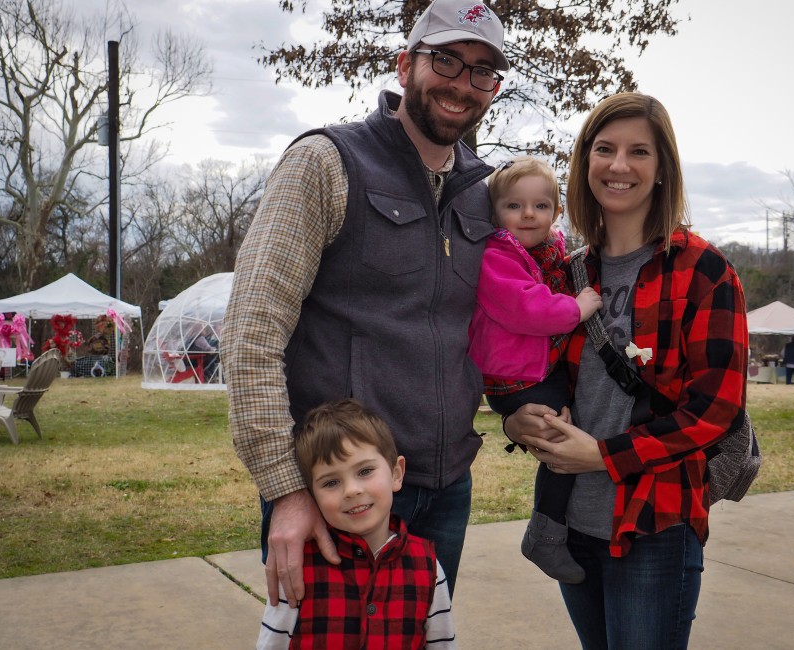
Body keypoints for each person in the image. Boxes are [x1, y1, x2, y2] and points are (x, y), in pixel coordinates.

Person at [221, 0, 510, 610]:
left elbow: (491, 331)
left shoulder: (484, 199)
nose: (462, 84)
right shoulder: (325, 163)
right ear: (405, 64)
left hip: (445, 488)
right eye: (447, 60)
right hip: (338, 494)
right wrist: (287, 489)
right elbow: (251, 330)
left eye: (482, 70)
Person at [503, 92, 748, 649]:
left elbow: (714, 410)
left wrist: (604, 455)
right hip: (570, 526)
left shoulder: (703, 270)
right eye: (605, 149)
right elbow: (523, 366)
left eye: (639, 151)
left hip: (654, 526)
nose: (619, 165)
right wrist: (516, 421)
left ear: (662, 170)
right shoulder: (565, 271)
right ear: (585, 162)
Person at [467, 156, 602, 583]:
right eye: (514, 205)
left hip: (543, 370)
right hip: (515, 376)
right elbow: (529, 309)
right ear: (495, 213)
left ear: (556, 212)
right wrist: (577, 309)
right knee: (562, 442)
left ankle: (554, 527)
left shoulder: (552, 252)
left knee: (572, 431)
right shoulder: (495, 255)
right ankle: (545, 533)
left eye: (541, 205)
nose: (529, 214)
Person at [256, 399, 456, 649]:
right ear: (312, 495)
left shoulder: (428, 566)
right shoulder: (298, 566)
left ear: (396, 473)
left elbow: (442, 644)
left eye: (364, 471)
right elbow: (271, 644)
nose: (351, 490)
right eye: (331, 483)